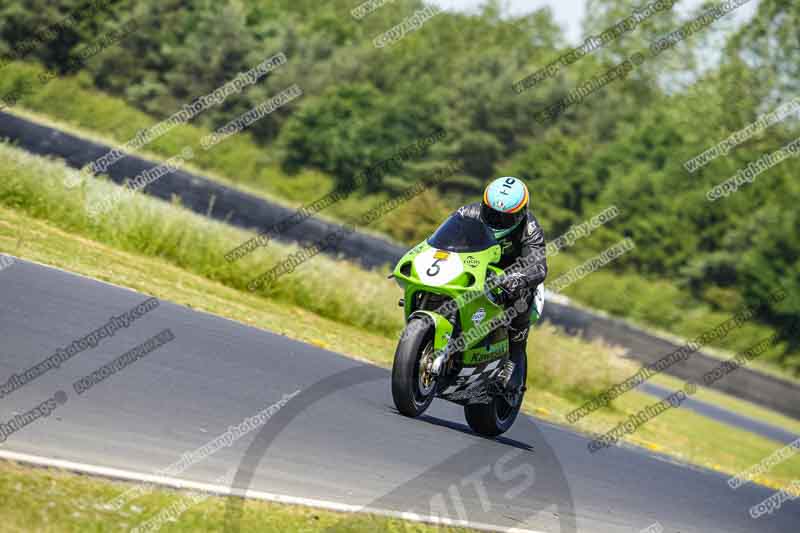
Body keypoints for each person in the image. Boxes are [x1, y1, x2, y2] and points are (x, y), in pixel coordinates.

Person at [454, 176, 547, 372]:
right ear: (483, 205)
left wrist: (520, 279)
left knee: (521, 298)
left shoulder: (530, 228)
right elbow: (441, 240)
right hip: (473, 267)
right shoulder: (467, 213)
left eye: (505, 218)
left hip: (510, 275)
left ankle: (513, 359)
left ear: (521, 214)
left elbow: (538, 267)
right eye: (491, 213)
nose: (496, 221)